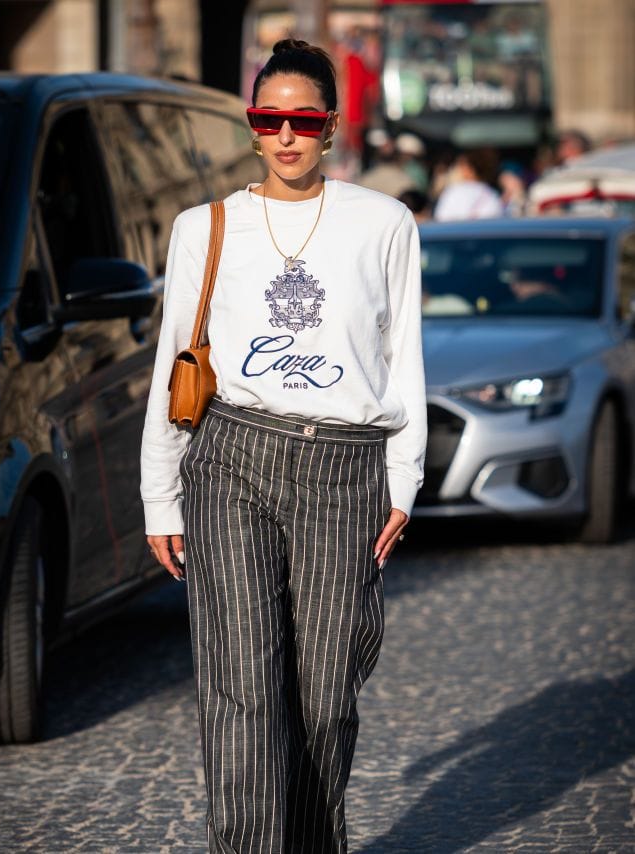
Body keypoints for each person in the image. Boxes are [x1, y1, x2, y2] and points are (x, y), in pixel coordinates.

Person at [141, 38, 427, 854]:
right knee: (240, 692)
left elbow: (403, 355)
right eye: (271, 117)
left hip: (344, 469)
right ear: (252, 125)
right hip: (233, 459)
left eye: (304, 118)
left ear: (330, 126)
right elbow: (176, 364)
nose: (287, 134)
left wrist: (402, 482)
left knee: (328, 691)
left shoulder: (384, 223)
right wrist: (160, 493)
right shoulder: (206, 227)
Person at [433, 148, 504, 221]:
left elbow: (440, 220)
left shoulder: (453, 192)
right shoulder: (492, 196)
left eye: (460, 166)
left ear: (470, 170)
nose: (456, 170)